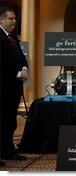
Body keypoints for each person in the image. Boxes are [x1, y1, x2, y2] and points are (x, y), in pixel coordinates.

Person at [0, 6, 28, 161]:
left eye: (15, 18)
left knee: (10, 121)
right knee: (3, 120)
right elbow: (3, 60)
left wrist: (24, 68)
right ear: (1, 19)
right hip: (4, 86)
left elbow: (21, 56)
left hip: (14, 87)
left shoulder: (12, 36)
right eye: (11, 18)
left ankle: (8, 151)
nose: (14, 21)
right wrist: (18, 73)